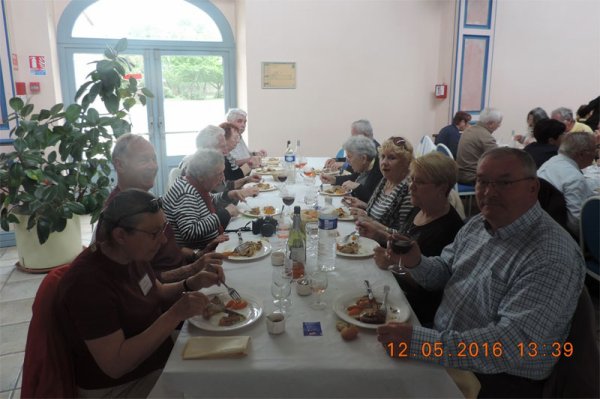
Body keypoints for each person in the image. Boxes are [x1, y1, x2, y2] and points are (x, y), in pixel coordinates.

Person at [377, 148, 585, 397]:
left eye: (504, 182)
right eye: (482, 181)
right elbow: (444, 271)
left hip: (497, 379)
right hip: (445, 343)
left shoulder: (551, 255)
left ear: (533, 188)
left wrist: (422, 343)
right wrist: (416, 261)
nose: (488, 192)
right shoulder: (478, 224)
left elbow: (510, 345)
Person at [58, 189, 223, 397]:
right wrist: (175, 314)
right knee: (216, 385)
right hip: (121, 386)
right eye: (154, 233)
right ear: (120, 235)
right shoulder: (87, 283)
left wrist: (190, 282)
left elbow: (156, 291)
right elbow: (116, 364)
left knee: (227, 358)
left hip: (155, 358)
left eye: (163, 228)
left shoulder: (132, 255)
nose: (163, 241)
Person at [356, 152, 464, 326]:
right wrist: (378, 235)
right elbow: (404, 241)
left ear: (442, 188)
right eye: (412, 179)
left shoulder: (449, 229)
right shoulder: (420, 208)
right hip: (394, 288)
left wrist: (391, 263)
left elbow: (431, 287)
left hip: (412, 311)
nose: (410, 187)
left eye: (419, 182)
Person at [107, 134, 226, 283]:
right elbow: (141, 284)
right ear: (120, 165)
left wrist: (200, 254)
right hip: (173, 287)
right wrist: (192, 271)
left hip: (185, 269)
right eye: (144, 160)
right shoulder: (117, 212)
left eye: (154, 159)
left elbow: (170, 247)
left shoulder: (146, 198)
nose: (153, 166)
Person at [163, 148, 251, 250]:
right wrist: (224, 214)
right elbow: (189, 232)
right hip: (200, 253)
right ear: (201, 176)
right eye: (219, 174)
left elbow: (210, 199)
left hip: (212, 244)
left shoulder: (194, 183)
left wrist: (229, 195)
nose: (223, 178)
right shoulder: (185, 194)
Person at [343, 136, 414, 231]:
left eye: (391, 158)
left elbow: (403, 236)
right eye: (383, 156)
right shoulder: (386, 180)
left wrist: (370, 221)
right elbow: (378, 215)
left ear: (405, 162)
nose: (384, 162)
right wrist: (363, 206)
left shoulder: (408, 190)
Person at [537, 132, 596, 235]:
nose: (595, 154)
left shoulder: (549, 164)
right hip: (565, 235)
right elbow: (576, 224)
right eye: (593, 150)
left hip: (544, 226)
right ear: (582, 154)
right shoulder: (574, 178)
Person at [320, 135, 383, 203]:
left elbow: (374, 201)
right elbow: (353, 178)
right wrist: (334, 179)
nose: (347, 161)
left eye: (349, 157)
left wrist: (357, 187)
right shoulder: (364, 164)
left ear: (363, 158)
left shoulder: (379, 171)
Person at [456, 107, 501, 184]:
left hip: (459, 174)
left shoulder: (468, 130)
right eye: (498, 123)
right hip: (472, 177)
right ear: (491, 124)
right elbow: (498, 160)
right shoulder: (486, 137)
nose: (499, 126)